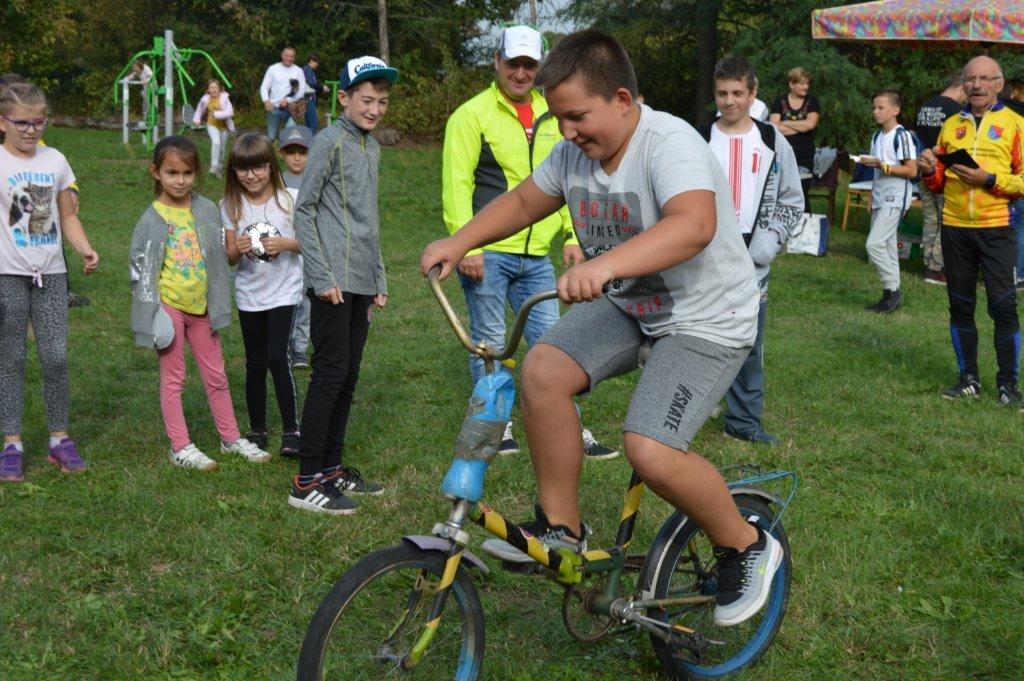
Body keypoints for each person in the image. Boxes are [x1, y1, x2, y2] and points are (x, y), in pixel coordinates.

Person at [421, 30, 783, 627]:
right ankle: (561, 529)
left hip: (706, 319)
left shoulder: (669, 143)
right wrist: (460, 241)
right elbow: (522, 202)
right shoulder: (573, 154)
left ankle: (746, 544)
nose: (567, 133)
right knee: (542, 369)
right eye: (559, 119)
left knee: (651, 449)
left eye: (577, 117)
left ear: (620, 98)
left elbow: (693, 225)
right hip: (634, 305)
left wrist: (605, 265)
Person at [442, 24, 615, 459]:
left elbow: (566, 178)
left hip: (538, 253)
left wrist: (574, 235)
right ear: (497, 62)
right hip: (491, 251)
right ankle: (495, 426)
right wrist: (467, 245)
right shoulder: (471, 114)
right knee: (490, 343)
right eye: (513, 63)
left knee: (555, 344)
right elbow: (456, 185)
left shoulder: (555, 113)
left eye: (529, 65)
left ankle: (570, 426)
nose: (521, 73)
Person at [291, 56, 398, 515]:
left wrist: (378, 276)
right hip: (331, 281)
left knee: (349, 375)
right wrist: (321, 275)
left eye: (382, 102)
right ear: (344, 97)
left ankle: (332, 469)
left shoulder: (371, 147)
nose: (374, 109)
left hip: (360, 280)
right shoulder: (328, 141)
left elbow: (368, 220)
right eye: (367, 100)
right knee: (329, 373)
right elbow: (305, 209)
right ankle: (305, 481)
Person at [129, 135, 271, 470]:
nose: (180, 181)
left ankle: (231, 438)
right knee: (174, 379)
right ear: (156, 172)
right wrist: (150, 315)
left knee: (217, 375)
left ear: (197, 174)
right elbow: (141, 271)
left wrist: (238, 248)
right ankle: (180, 446)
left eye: (188, 173)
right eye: (172, 173)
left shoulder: (207, 209)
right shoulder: (151, 219)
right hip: (170, 309)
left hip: (203, 308)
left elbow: (222, 258)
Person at [701, 55, 803, 446]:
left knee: (748, 335)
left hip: (753, 252)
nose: (730, 101)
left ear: (753, 93)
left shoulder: (773, 140)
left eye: (738, 93)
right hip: (705, 248)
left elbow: (792, 198)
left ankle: (743, 419)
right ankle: (694, 402)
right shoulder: (699, 137)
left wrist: (770, 240)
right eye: (723, 93)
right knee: (701, 330)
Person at [0, 82, 99, 482]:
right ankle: (12, 444)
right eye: (21, 122)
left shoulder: (56, 160)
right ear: (2, 122)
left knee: (55, 357)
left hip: (52, 276)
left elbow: (67, 215)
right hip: (7, 274)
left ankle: (60, 441)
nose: (30, 129)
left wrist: (84, 248)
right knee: (11, 359)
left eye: (38, 121)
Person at [918, 55, 1023, 405]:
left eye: (984, 78)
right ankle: (968, 379)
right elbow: (938, 183)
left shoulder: (1015, 123)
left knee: (1003, 307)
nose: (977, 84)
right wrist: (928, 169)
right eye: (970, 79)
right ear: (963, 85)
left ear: (999, 83)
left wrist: (989, 179)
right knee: (960, 307)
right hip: (956, 228)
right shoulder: (951, 125)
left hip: (997, 228)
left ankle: (1008, 385)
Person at [221, 133, 304, 458]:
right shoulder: (230, 205)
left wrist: (286, 244)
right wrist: (237, 249)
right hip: (249, 295)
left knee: (276, 357)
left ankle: (292, 430)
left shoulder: (290, 199)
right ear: (234, 171)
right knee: (255, 363)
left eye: (258, 167)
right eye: (243, 169)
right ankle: (257, 429)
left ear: (271, 167)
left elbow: (309, 243)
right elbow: (228, 255)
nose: (251, 175)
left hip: (284, 291)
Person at [861, 89, 917, 313]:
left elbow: (911, 170)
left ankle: (892, 289)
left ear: (895, 110)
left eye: (881, 107)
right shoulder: (877, 136)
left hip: (895, 195)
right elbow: (877, 171)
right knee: (887, 246)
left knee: (873, 244)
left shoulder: (901, 136)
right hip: (880, 195)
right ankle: (890, 297)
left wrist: (886, 167)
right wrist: (871, 195)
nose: (875, 111)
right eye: (874, 107)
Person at [915, 75, 966, 285]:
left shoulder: (925, 107)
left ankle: (928, 263)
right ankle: (937, 268)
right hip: (943, 171)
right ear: (961, 87)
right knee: (946, 221)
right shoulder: (955, 111)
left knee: (930, 219)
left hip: (923, 166)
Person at [277, 125, 313, 369]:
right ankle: (284, 344)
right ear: (281, 153)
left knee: (307, 300)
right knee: (287, 297)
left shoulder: (316, 178)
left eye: (302, 151)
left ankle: (300, 347)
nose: (297, 157)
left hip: (310, 249)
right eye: (291, 152)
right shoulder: (275, 180)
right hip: (284, 249)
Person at [769, 67, 820, 212]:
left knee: (802, 190)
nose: (806, 87)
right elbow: (774, 127)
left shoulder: (812, 101)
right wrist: (800, 126)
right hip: (782, 152)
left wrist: (785, 123)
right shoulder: (780, 100)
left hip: (805, 153)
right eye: (802, 83)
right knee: (781, 188)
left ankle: (804, 227)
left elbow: (810, 125)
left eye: (807, 83)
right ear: (792, 84)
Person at [259, 46, 306, 143]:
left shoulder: (298, 71)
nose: (289, 58)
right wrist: (266, 100)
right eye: (287, 56)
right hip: (274, 108)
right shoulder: (272, 69)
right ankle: (269, 155)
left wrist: (288, 100)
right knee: (271, 137)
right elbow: (264, 87)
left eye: (291, 56)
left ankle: (287, 156)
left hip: (291, 109)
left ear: (294, 58)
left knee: (291, 136)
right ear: (282, 55)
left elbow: (302, 91)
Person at [191, 79, 236, 178]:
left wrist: (216, 114)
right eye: (211, 87)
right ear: (208, 89)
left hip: (224, 127)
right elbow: (199, 110)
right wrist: (197, 119)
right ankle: (214, 166)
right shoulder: (205, 99)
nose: (214, 90)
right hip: (211, 125)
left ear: (219, 89)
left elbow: (230, 113)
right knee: (216, 143)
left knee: (222, 150)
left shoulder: (225, 98)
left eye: (216, 87)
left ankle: (219, 169)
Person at [302, 53, 330, 135]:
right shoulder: (308, 70)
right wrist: (322, 88)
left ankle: (306, 144)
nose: (317, 65)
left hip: (307, 99)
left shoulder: (308, 70)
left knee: (308, 124)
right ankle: (311, 145)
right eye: (316, 62)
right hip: (308, 100)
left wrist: (321, 89)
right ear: (311, 61)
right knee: (314, 124)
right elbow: (311, 83)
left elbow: (312, 86)